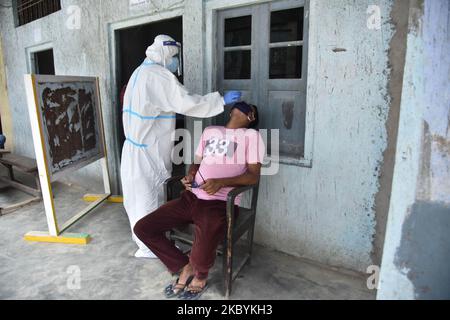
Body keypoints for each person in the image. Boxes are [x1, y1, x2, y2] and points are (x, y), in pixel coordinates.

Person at [121, 34, 242, 259]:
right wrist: (220, 101)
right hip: (147, 151)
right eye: (175, 57)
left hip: (133, 149)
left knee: (136, 197)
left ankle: (144, 242)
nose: (176, 62)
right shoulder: (157, 76)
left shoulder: (139, 72)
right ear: (166, 54)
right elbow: (185, 101)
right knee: (148, 197)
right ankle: (150, 247)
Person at [134, 101, 265, 300]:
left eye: (250, 109)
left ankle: (200, 275)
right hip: (191, 197)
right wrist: (190, 174)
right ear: (231, 111)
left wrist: (221, 183)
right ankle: (183, 266)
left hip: (220, 203)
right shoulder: (210, 131)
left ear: (251, 118)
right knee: (143, 228)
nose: (245, 107)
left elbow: (254, 176)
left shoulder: (251, 136)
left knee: (202, 251)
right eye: (241, 105)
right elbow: (197, 162)